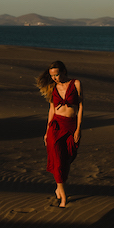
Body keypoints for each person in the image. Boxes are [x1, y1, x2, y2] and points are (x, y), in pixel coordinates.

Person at [36, 61, 83, 208]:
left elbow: (80, 107)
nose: (55, 78)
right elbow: (51, 109)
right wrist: (46, 131)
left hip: (71, 125)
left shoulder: (76, 84)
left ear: (64, 71)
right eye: (52, 76)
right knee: (57, 159)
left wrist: (78, 129)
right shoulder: (52, 87)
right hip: (55, 126)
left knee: (69, 156)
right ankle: (63, 196)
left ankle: (58, 186)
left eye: (57, 74)